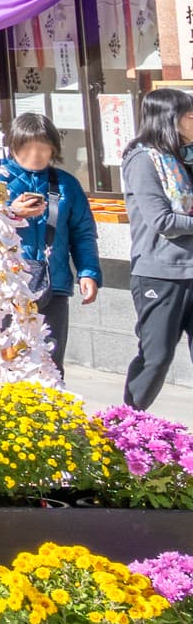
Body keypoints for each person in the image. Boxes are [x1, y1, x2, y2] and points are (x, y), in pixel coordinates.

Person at [3, 113, 101, 373]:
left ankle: (51, 412)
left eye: (43, 147)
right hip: (5, 289)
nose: (35, 154)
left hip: (53, 285)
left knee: (50, 363)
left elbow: (83, 234)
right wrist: (10, 213)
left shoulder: (67, 184)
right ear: (13, 146)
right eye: (27, 147)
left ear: (53, 149)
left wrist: (88, 273)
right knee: (4, 360)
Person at [125, 86, 193, 407]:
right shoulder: (143, 160)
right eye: (190, 117)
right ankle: (124, 428)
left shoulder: (183, 159)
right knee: (157, 358)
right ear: (170, 119)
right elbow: (162, 220)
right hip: (159, 274)